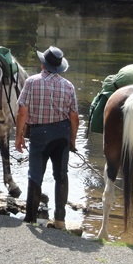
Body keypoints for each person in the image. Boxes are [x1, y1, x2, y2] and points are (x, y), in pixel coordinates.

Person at [14, 46, 79, 228]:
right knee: (61, 175)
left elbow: (22, 112)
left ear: (43, 65)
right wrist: (72, 139)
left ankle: (31, 218)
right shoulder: (68, 86)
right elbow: (74, 116)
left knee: (35, 175)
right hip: (62, 134)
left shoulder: (31, 82)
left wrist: (19, 136)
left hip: (39, 133)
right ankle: (60, 220)